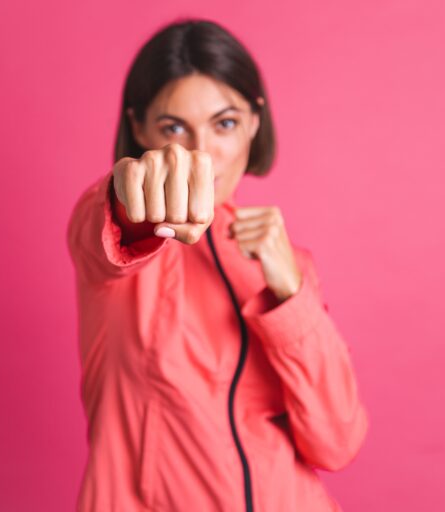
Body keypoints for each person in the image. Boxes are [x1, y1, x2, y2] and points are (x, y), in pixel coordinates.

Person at [67, 18, 369, 512]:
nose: (201, 154)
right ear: (139, 128)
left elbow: (336, 441)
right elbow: (103, 232)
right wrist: (132, 199)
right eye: (173, 128)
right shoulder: (119, 241)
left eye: (224, 123)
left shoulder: (289, 265)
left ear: (254, 121)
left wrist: (290, 291)